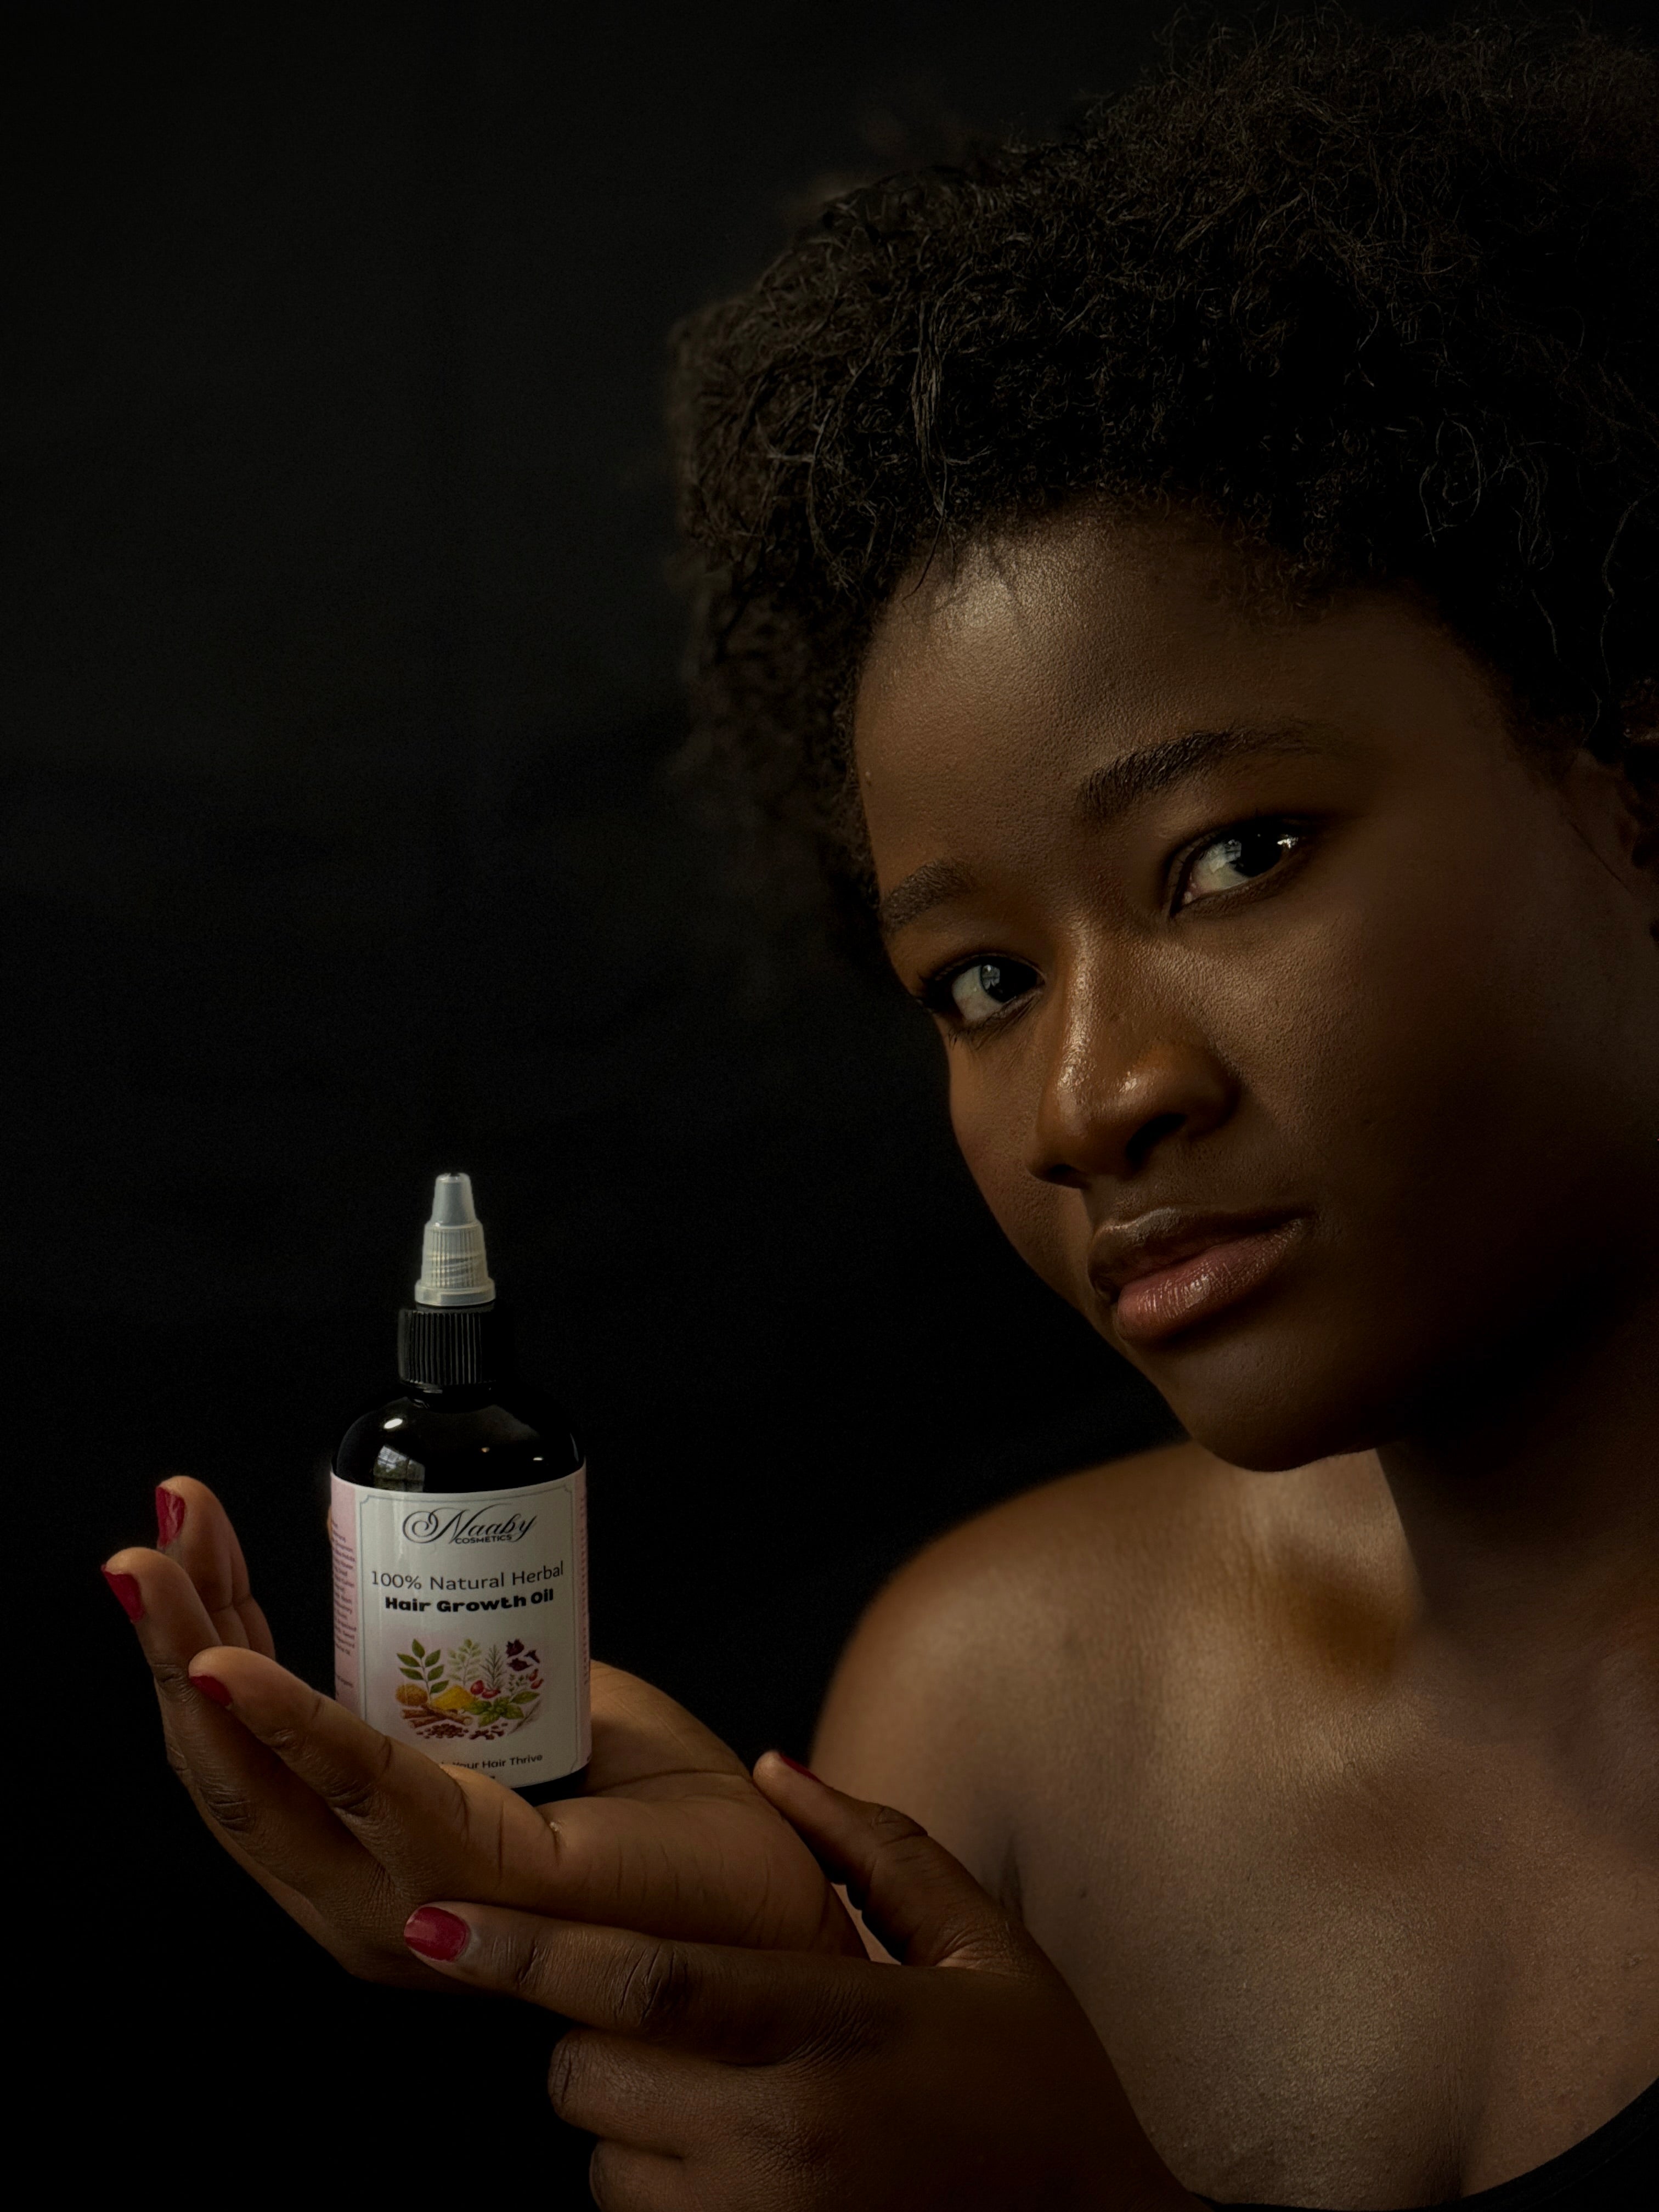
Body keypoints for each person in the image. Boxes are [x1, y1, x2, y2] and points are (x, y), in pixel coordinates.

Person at [102, 16, 1656, 2207]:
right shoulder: (990, 1702)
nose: (1095, 1099)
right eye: (985, 985)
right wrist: (729, 2030)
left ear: (1628, 761)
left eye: (1233, 856)